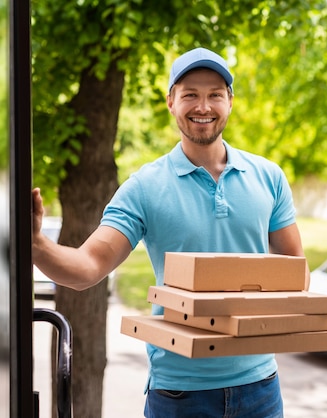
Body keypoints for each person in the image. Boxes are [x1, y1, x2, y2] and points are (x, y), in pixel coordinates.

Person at [32, 47, 309, 418]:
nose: (203, 106)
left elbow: (296, 273)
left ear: (230, 101)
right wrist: (35, 244)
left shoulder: (269, 178)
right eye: (190, 94)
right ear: (171, 101)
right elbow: (87, 267)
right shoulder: (145, 187)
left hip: (260, 388)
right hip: (180, 394)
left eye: (214, 94)